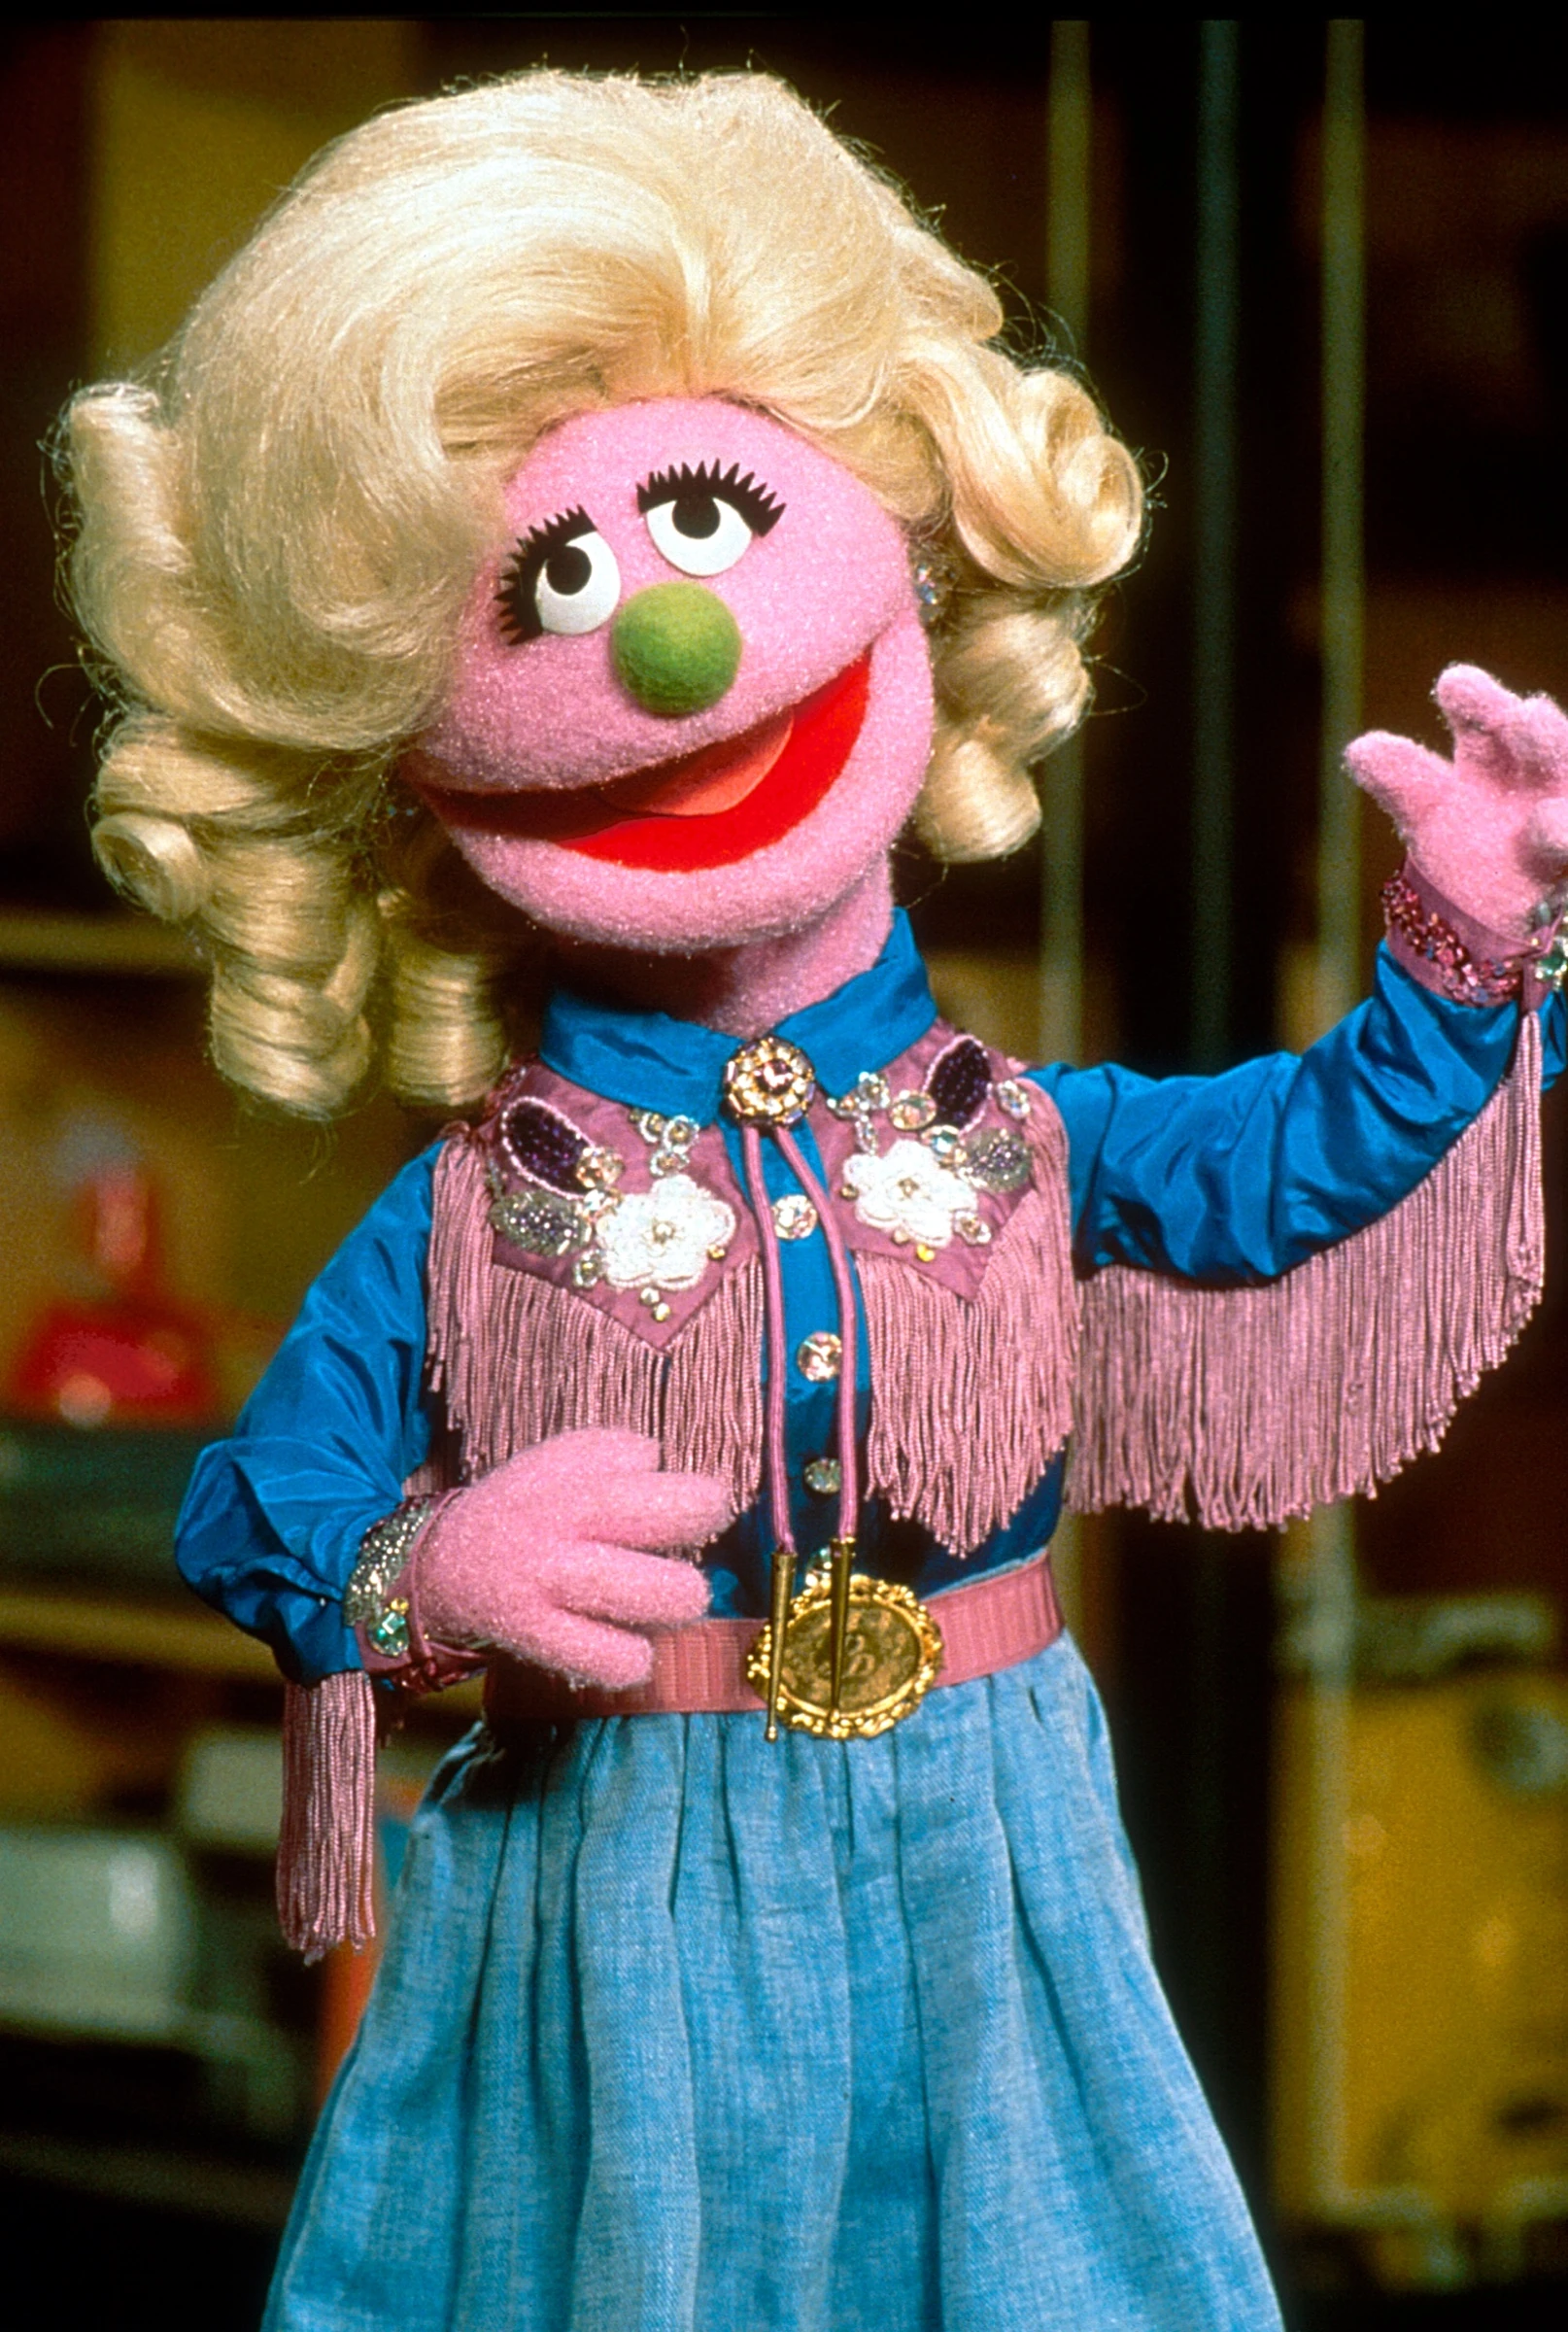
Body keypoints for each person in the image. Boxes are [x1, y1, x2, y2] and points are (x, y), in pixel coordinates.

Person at [62, 69, 1568, 2332]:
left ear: (907, 561)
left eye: (706, 524)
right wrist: (425, 1569)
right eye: (563, 580)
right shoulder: (471, 1213)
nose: (668, 649)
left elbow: (1296, 1170)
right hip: (616, 1891)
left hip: (999, 1856)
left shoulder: (1025, 1134)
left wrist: (1464, 952)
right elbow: (255, 1500)